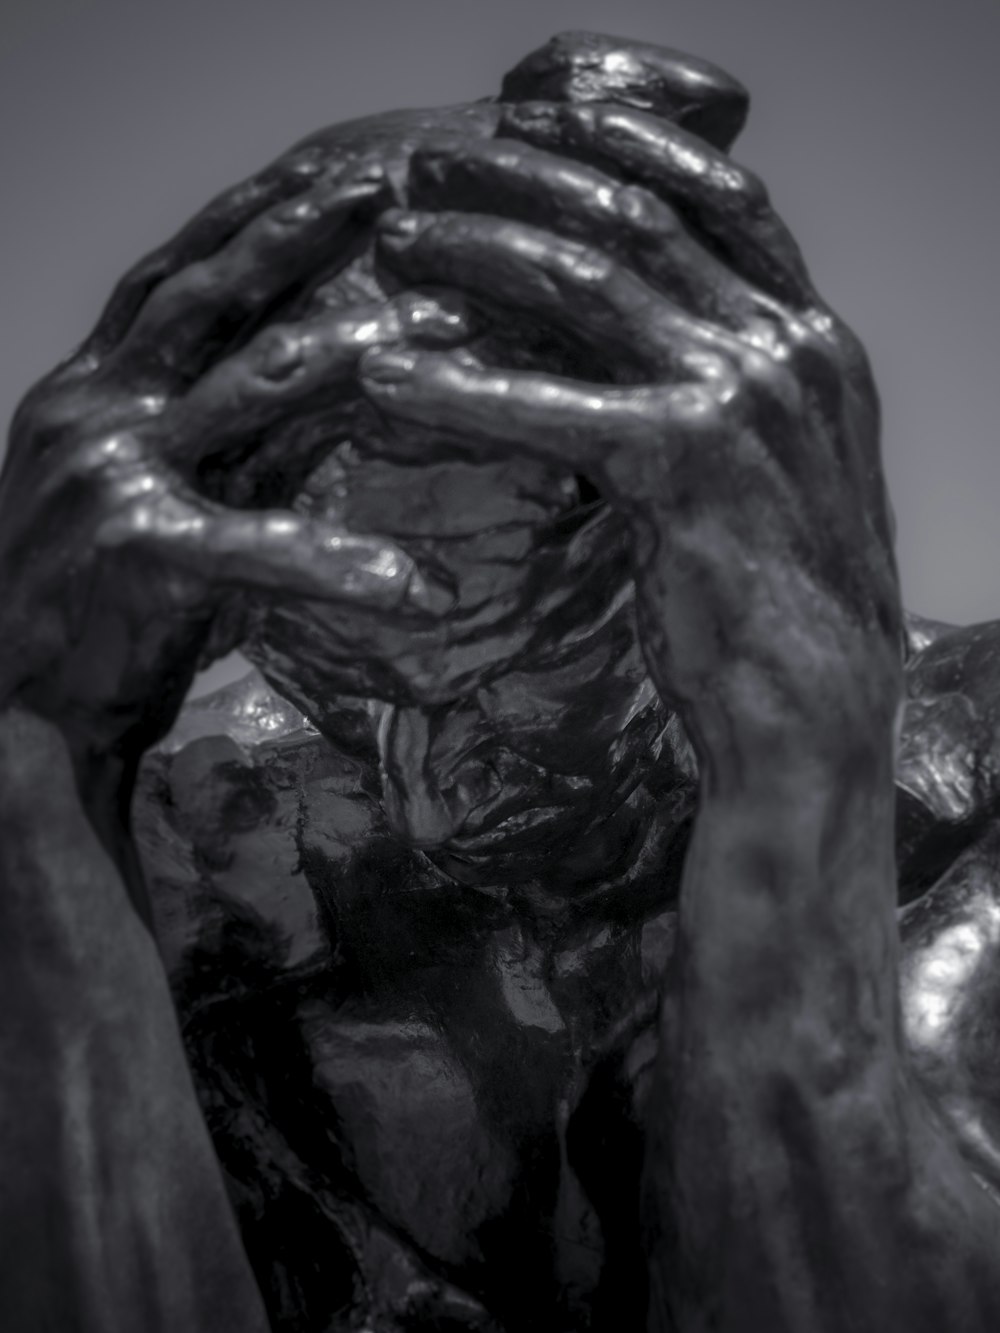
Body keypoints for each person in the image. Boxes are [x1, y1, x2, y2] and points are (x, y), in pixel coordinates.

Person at [2, 27, 1000, 1333]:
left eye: (513, 670)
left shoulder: (970, 777)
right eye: (342, 687)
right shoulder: (194, 855)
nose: (424, 783)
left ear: (736, 573)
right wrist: (36, 775)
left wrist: (792, 788)